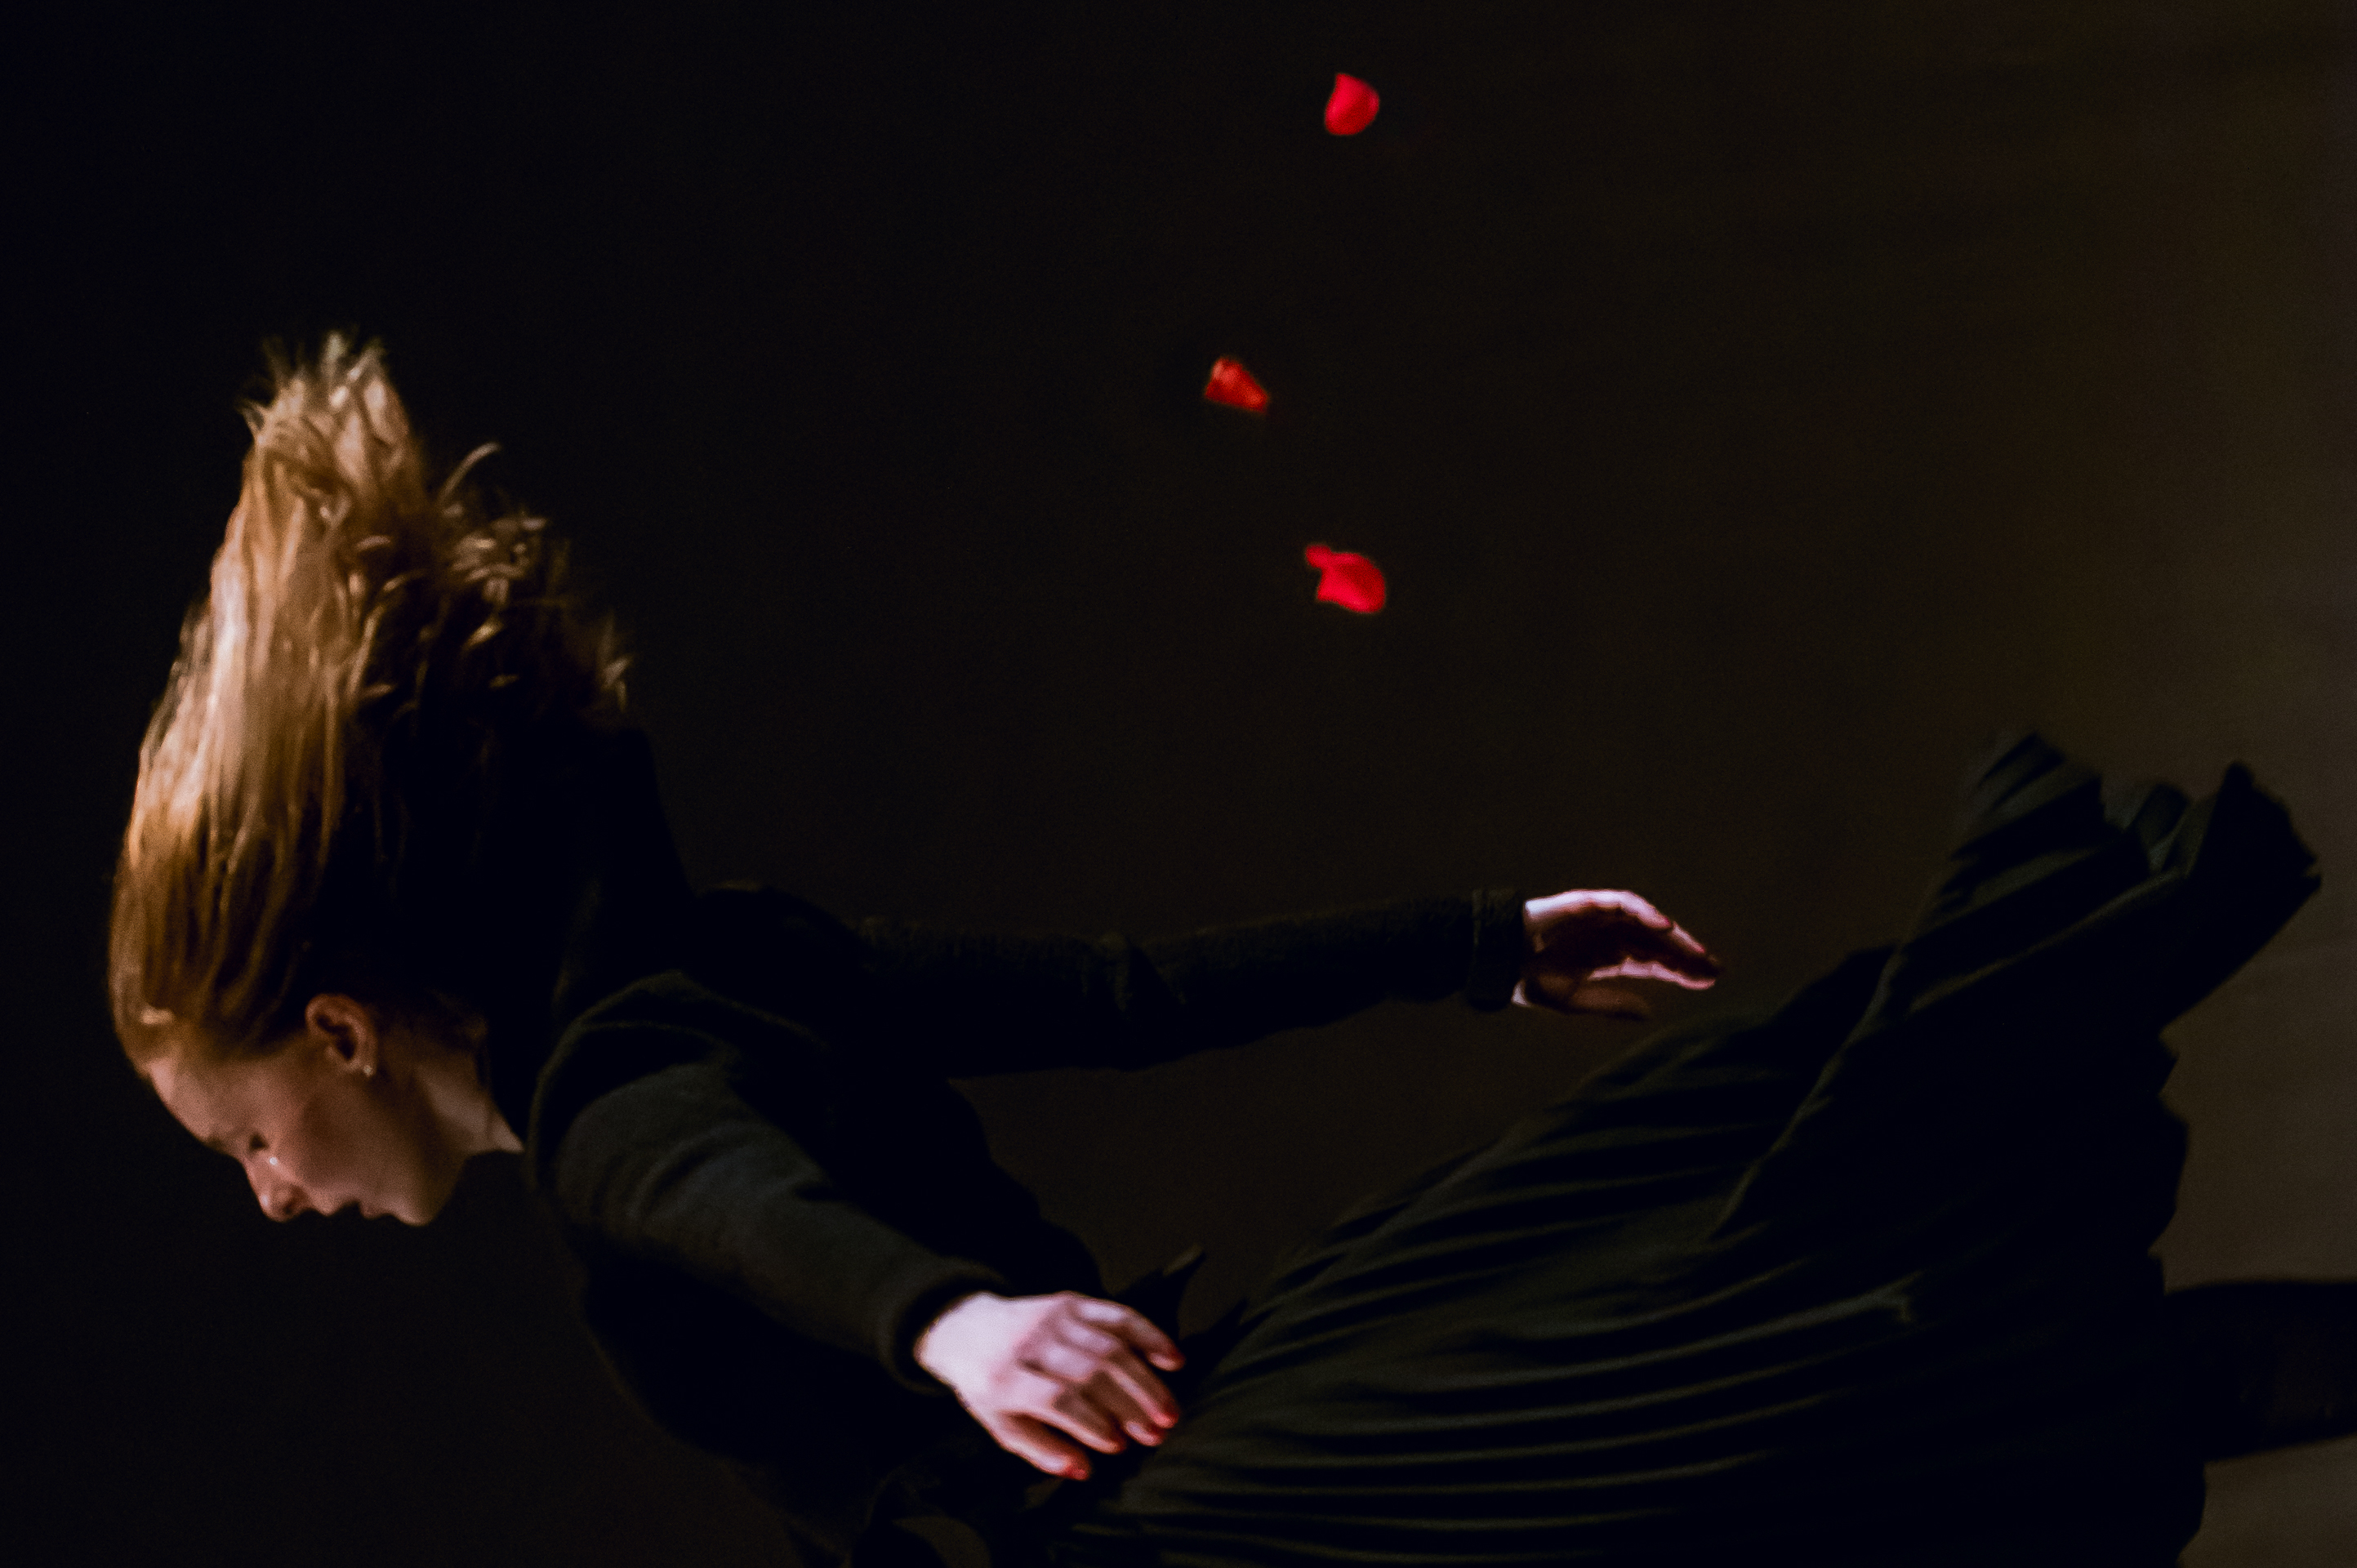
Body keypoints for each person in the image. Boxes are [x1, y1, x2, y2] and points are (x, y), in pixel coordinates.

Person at [114, 341, 2353, 1567]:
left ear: (342, 1027)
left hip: (1181, 1520)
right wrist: (1476, 946)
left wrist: (953, 1327)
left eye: (249, 1139)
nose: (275, 1196)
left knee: (1856, 1401)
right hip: (1226, 1416)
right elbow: (1111, 996)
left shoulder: (614, 1112)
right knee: (1865, 1389)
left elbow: (727, 1202)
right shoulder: (713, 975)